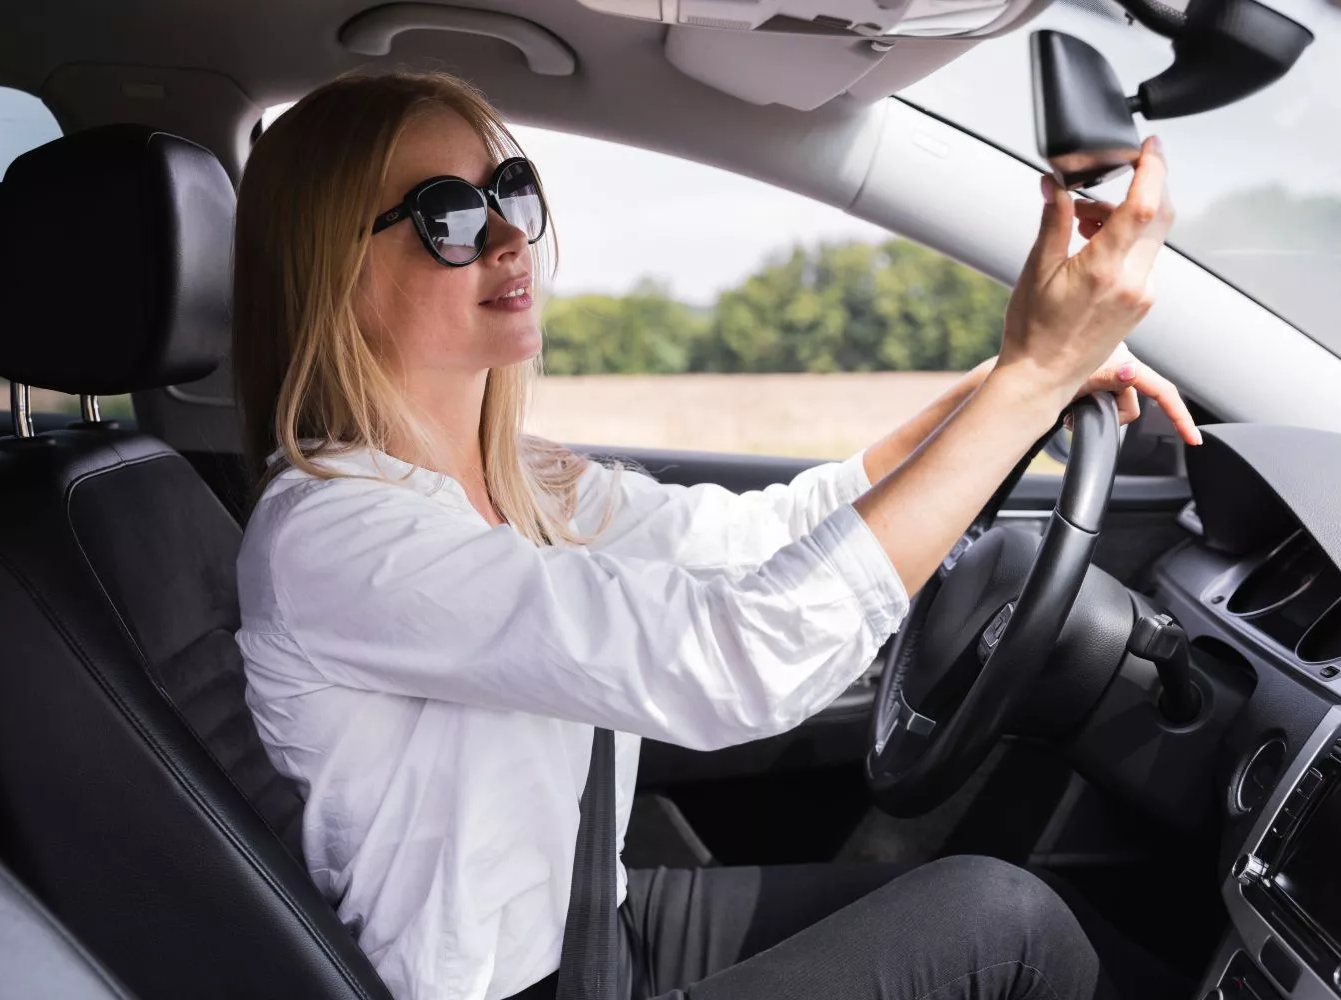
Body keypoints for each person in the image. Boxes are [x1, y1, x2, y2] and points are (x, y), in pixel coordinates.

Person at [232, 71, 1192, 1000]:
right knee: (1006, 927)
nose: (503, 237)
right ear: (331, 269)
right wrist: (1032, 375)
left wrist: (1005, 391)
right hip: (517, 985)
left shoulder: (524, 479)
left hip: (595, 930)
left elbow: (759, 537)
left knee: (1027, 910)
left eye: (511, 191)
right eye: (445, 215)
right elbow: (731, 660)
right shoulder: (337, 537)